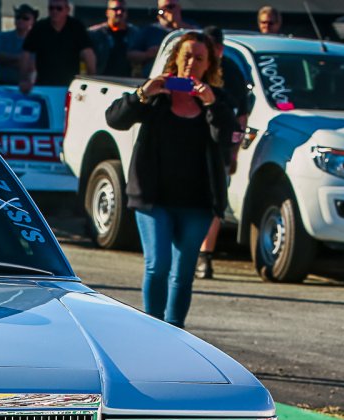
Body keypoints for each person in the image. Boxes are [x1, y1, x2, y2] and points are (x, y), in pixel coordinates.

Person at [106, 31, 238, 328]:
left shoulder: (217, 100)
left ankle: (175, 331)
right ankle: (152, 329)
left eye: (199, 58)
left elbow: (228, 138)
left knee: (183, 270)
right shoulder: (158, 95)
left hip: (198, 202)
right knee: (158, 265)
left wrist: (211, 104)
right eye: (187, 56)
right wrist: (143, 93)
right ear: (176, 59)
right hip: (154, 199)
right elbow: (115, 119)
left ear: (209, 65)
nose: (192, 63)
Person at [196, 26, 251, 279]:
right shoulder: (190, 67)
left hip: (219, 146)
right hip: (188, 145)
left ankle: (206, 256)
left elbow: (241, 116)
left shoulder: (231, 71)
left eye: (216, 47)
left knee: (214, 203)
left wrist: (235, 151)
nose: (213, 52)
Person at [19, 1, 96, 92]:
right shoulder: (40, 27)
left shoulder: (76, 27)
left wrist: (90, 82)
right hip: (44, 84)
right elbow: (26, 54)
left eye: (59, 8)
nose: (54, 11)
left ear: (67, 10)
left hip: (70, 86)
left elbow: (88, 54)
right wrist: (24, 80)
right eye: (51, 8)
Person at [128, 0, 193, 76]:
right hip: (155, 76)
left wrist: (178, 24)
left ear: (178, 7)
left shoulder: (190, 28)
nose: (168, 11)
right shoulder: (150, 30)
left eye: (171, 7)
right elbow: (131, 54)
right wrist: (147, 54)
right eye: (163, 9)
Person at [0, 5, 37, 85]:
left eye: (25, 18)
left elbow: (33, 66)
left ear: (33, 21)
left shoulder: (37, 41)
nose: (20, 20)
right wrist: (20, 59)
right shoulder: (2, 36)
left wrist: (5, 60)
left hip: (24, 86)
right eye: (18, 17)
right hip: (0, 84)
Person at [88, 0, 136, 77]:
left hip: (128, 80)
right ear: (107, 12)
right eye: (116, 9)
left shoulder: (135, 33)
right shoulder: (94, 33)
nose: (120, 12)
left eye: (123, 10)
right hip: (102, 78)